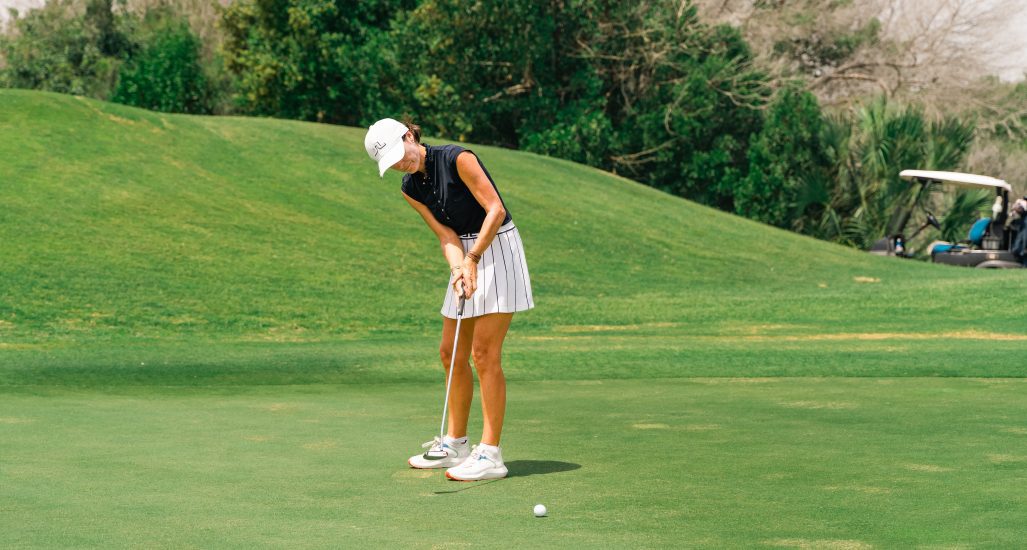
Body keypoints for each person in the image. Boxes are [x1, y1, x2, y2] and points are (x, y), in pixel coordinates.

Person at [363, 118, 535, 481]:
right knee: (450, 350)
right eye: (391, 162)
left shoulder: (458, 159)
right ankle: (455, 443)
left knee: (484, 353)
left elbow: (495, 209)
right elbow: (445, 234)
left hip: (498, 247)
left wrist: (473, 261)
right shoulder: (409, 187)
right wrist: (459, 268)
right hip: (465, 254)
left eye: (400, 154)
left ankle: (490, 454)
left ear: (409, 137)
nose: (400, 164)